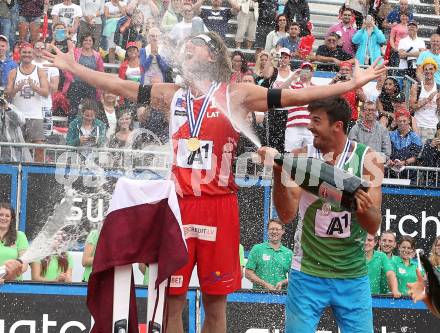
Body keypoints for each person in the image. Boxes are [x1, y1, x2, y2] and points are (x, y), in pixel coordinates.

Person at [43, 31, 386, 332]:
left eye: (195, 45)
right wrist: (73, 67)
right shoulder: (171, 94)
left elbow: (294, 97)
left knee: (215, 305)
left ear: (212, 54)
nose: (187, 50)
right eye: (186, 46)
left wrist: (352, 84)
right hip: (179, 206)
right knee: (172, 303)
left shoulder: (235, 95)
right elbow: (118, 85)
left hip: (220, 206)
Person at [258, 96, 384, 333]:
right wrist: (278, 173)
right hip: (307, 273)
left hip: (352, 275)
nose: (309, 126)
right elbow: (285, 215)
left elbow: (373, 226)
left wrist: (362, 207)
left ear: (337, 126)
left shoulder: (369, 160)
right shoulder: (299, 157)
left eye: (316, 120)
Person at [6, 43, 49, 163]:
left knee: (39, 147)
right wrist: (16, 88)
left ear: (33, 54)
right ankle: (17, 175)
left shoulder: (39, 71)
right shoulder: (13, 72)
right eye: (24, 52)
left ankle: (36, 176)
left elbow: (46, 93)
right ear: (20, 54)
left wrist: (35, 88)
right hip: (18, 115)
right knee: (16, 147)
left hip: (35, 115)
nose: (27, 55)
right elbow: (7, 94)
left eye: (29, 52)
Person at [63, 33, 104, 116]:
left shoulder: (97, 55)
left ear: (93, 42)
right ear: (82, 41)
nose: (87, 42)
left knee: (91, 108)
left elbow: (100, 71)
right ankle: (71, 125)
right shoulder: (75, 52)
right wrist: (72, 80)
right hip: (76, 83)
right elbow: (66, 66)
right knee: (73, 108)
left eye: (90, 40)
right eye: (85, 40)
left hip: (91, 85)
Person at [245, 219, 293, 291]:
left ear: (283, 231)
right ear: (267, 231)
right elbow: (248, 273)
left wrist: (282, 282)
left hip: (281, 295)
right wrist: (265, 284)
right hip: (258, 294)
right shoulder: (257, 249)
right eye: (271, 229)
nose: (274, 232)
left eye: (277, 229)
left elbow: (294, 277)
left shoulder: (288, 253)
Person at [284, 62, 314, 151]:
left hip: (311, 127)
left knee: (311, 156)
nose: (306, 72)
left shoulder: (315, 88)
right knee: (290, 155)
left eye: (308, 70)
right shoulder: (293, 85)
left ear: (312, 72)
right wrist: (292, 77)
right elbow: (280, 90)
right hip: (293, 126)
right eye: (304, 69)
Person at [33, 40, 60, 138]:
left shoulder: (51, 66)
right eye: (37, 47)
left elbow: (54, 90)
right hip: (30, 106)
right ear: (33, 49)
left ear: (46, 49)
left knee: (45, 138)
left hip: (45, 106)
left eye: (42, 47)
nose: (39, 49)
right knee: (27, 138)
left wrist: (43, 77)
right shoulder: (27, 64)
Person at [409, 58, 440, 144]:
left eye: (431, 69)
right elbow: (411, 108)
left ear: (435, 70)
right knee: (416, 153)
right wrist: (427, 100)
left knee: (426, 154)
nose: (428, 71)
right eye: (425, 69)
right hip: (417, 124)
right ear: (422, 71)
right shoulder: (416, 86)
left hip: (432, 126)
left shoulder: (438, 88)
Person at [329, 61, 366, 127]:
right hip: (336, 117)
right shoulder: (334, 83)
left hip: (350, 118)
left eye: (347, 70)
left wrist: (353, 83)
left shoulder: (355, 84)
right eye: (342, 69)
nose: (344, 72)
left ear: (351, 72)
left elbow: (363, 99)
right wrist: (333, 82)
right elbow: (324, 96)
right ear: (339, 71)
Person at [387, 108, 422, 176]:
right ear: (396, 121)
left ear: (409, 121)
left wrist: (404, 162)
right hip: (391, 171)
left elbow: (416, 157)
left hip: (409, 172)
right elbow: (385, 151)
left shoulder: (415, 137)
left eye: (404, 121)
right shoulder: (390, 135)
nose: (402, 123)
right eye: (400, 121)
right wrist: (388, 160)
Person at [0, 202, 28, 283]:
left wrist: (14, 271)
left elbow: (24, 265)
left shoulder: (20, 236)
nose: (3, 218)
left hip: (13, 287)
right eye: (1, 214)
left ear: (12, 219)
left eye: (7, 216)